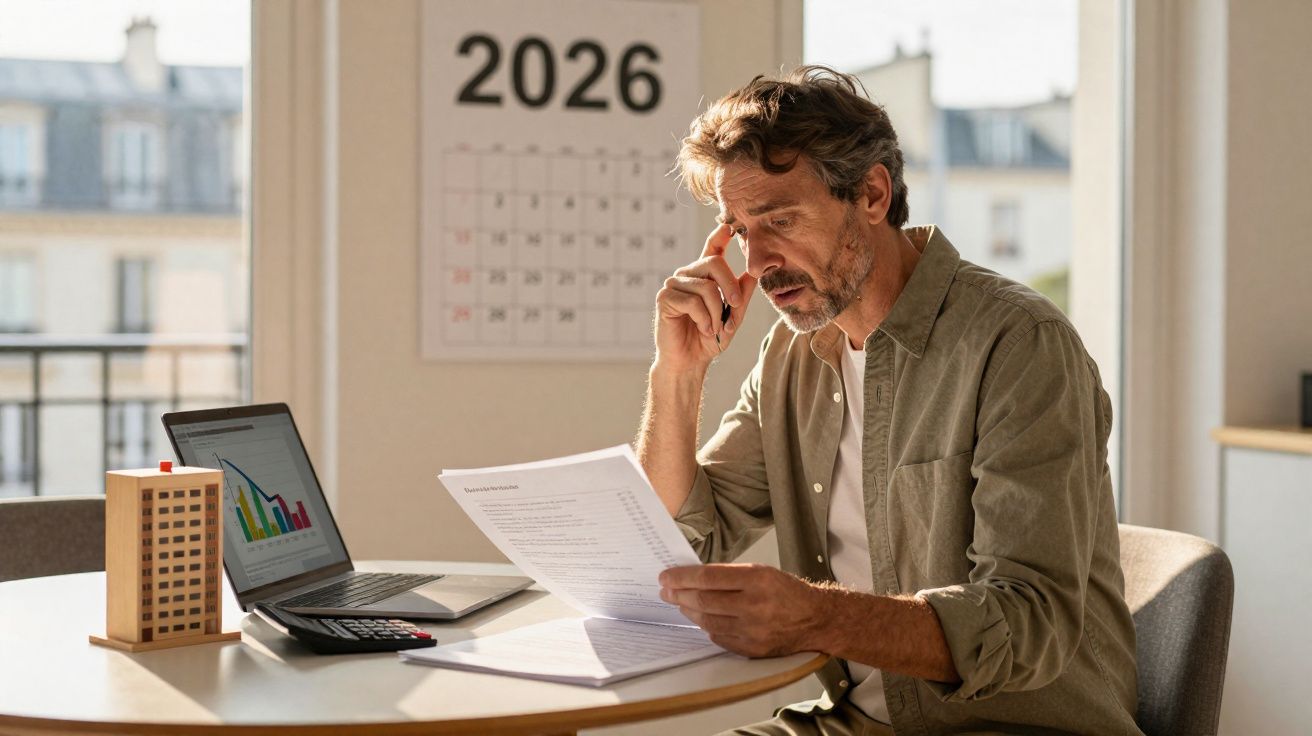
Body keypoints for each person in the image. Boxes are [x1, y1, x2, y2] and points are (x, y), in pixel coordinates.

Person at [635, 66, 1143, 736]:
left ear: (872, 195)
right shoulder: (792, 360)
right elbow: (678, 536)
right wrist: (679, 371)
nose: (755, 263)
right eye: (738, 228)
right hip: (851, 722)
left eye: (780, 219)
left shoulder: (1019, 345)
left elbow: (1030, 622)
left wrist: (816, 617)